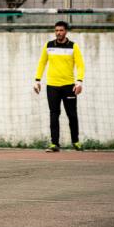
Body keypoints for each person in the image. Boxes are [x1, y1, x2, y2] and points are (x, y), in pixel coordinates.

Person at [34, 20, 85, 152]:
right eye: (56, 30)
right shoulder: (48, 45)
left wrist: (79, 82)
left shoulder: (73, 46)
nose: (58, 33)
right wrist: (37, 80)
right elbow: (42, 63)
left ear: (66, 31)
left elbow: (80, 65)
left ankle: (76, 141)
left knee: (72, 115)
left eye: (61, 30)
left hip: (69, 86)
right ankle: (54, 143)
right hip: (52, 86)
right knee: (54, 114)